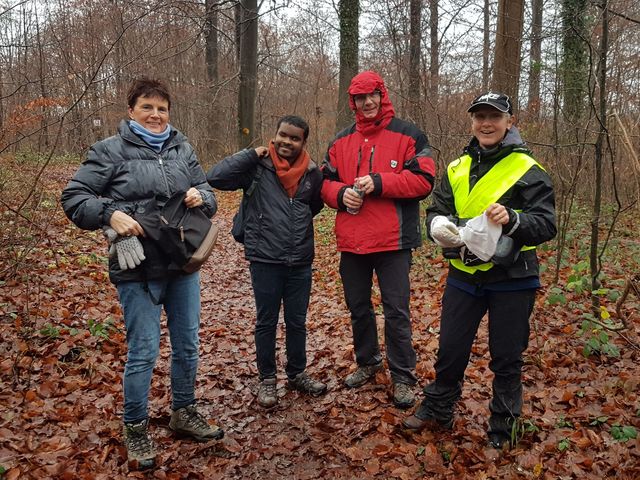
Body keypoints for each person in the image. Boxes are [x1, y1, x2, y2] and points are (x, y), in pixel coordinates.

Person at [61, 78, 223, 471]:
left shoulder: (182, 149)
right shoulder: (108, 151)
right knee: (144, 352)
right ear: (131, 110)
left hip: (183, 263)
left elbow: (210, 195)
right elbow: (74, 197)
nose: (155, 115)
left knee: (187, 345)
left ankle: (183, 412)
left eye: (162, 108)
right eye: (147, 107)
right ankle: (135, 426)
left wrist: (203, 197)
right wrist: (108, 214)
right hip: (137, 268)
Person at [402, 92, 557, 449]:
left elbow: (546, 224)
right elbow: (435, 211)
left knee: (506, 356)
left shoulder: (529, 170)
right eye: (480, 116)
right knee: (451, 348)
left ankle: (503, 428)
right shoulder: (456, 168)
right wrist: (438, 226)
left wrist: (515, 219)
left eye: (494, 117)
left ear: (509, 122)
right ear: (472, 122)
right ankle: (439, 406)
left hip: (513, 277)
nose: (486, 123)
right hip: (464, 274)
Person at [321, 71, 436, 409]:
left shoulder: (409, 134)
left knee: (396, 311)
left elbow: (425, 180)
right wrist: (342, 194)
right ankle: (368, 361)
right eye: (360, 97)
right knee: (358, 308)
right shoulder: (340, 141)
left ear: (382, 95)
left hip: (394, 242)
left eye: (373, 95)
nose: (367, 102)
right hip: (352, 242)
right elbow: (324, 183)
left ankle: (403, 376)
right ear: (352, 102)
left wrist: (380, 181)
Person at [207, 115, 327, 408]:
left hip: (300, 260)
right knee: (266, 321)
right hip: (265, 259)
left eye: (294, 138)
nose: (287, 141)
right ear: (275, 135)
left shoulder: (312, 173)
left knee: (297, 321)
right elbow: (216, 177)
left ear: (303, 142)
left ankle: (297, 373)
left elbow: (313, 206)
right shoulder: (256, 167)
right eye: (283, 135)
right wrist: (250, 153)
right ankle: (268, 380)